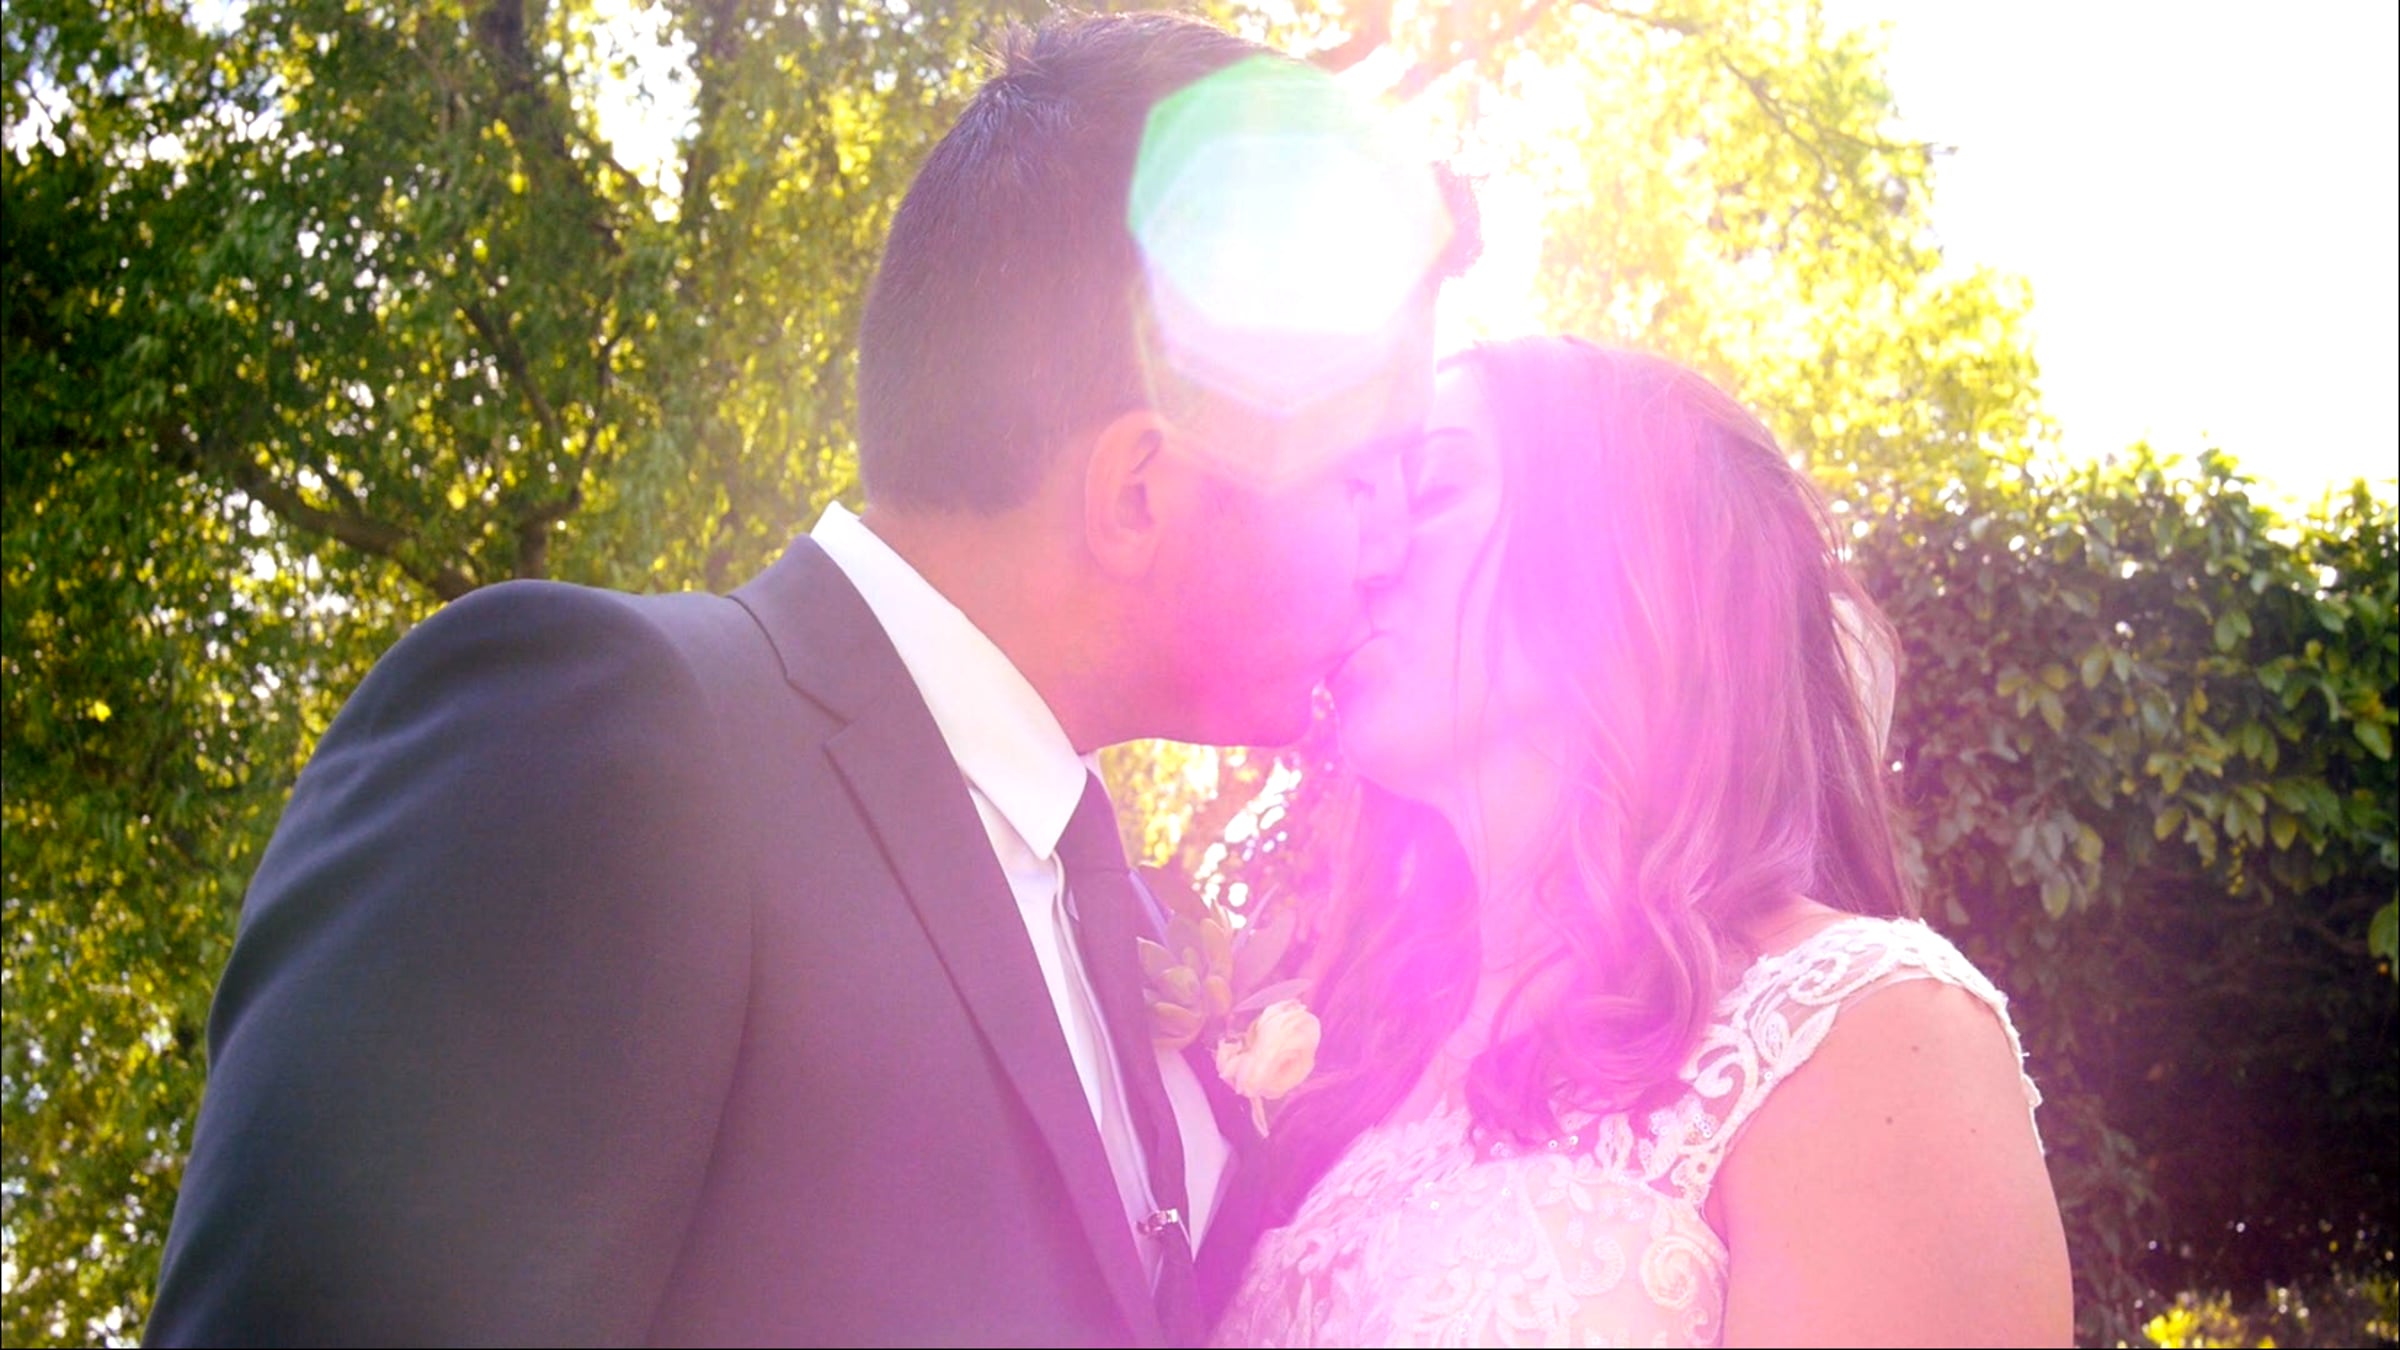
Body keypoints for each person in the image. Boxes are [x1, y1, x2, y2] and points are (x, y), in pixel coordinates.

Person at [145, 13, 1470, 1346]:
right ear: (1138, 489)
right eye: (1365, 477)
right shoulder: (592, 746)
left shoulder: (1116, 922)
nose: (1394, 548)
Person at [1213, 338, 2072, 1347]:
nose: (1369, 556)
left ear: (1629, 558)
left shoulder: (1862, 1031)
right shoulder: (1361, 1069)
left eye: (1434, 493)